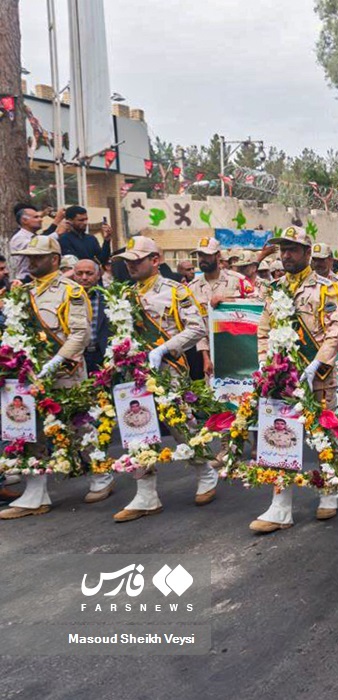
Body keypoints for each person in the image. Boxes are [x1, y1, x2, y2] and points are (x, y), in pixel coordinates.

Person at [251, 225, 338, 534]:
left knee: (323, 436)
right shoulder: (275, 288)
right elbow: (263, 332)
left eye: (293, 249)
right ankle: (280, 507)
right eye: (283, 250)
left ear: (308, 253)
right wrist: (267, 365)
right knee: (280, 437)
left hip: (316, 377)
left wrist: (315, 364)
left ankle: (329, 489)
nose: (286, 255)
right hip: (281, 380)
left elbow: (335, 332)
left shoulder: (325, 288)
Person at [109, 236, 211, 522]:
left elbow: (197, 328)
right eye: (127, 262)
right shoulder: (126, 295)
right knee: (137, 429)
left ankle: (205, 471)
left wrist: (164, 348)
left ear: (155, 260)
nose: (131, 266)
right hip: (135, 374)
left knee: (181, 424)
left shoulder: (176, 291)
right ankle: (146, 493)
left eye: (137, 260)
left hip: (169, 369)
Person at [0, 236, 91, 519]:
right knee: (30, 432)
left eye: (38, 256)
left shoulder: (71, 290)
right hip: (28, 376)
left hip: (64, 372)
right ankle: (36, 492)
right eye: (29, 256)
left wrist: (55, 362)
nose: (32, 261)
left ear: (54, 259)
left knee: (78, 427)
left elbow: (80, 334)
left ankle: (101, 475)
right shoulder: (21, 292)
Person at [188, 238, 256, 379]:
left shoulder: (238, 281)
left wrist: (228, 302)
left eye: (207, 255)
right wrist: (205, 357)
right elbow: (196, 326)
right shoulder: (192, 288)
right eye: (200, 255)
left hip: (240, 350)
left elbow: (258, 307)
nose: (202, 259)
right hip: (211, 356)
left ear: (218, 256)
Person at [10, 205, 45, 283]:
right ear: (24, 220)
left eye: (40, 217)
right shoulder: (19, 238)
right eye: (36, 217)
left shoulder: (35, 236)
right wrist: (57, 233)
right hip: (25, 281)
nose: (41, 220)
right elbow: (38, 247)